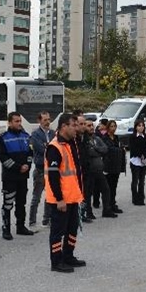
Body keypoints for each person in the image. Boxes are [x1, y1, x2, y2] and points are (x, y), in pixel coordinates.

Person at [45, 114, 86, 273]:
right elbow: (53, 176)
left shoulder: (71, 143)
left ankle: (68, 256)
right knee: (57, 232)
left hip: (73, 196)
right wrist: (59, 199)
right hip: (60, 199)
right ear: (63, 127)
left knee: (72, 229)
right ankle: (56, 261)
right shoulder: (55, 146)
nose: (77, 128)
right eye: (73, 125)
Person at [0, 112, 34, 240]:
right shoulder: (3, 137)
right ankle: (6, 229)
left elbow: (30, 153)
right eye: (16, 121)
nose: (19, 123)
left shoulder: (26, 136)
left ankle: (21, 227)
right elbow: (2, 157)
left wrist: (27, 165)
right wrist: (19, 167)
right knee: (8, 204)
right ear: (9, 122)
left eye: (20, 121)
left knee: (21, 203)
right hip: (10, 177)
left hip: (23, 177)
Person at [83, 119, 116, 218]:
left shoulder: (96, 138)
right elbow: (89, 152)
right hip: (90, 170)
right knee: (88, 193)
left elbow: (105, 149)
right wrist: (97, 151)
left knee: (106, 189)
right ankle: (88, 212)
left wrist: (96, 148)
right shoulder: (84, 140)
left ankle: (106, 210)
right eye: (89, 126)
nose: (91, 127)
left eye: (92, 125)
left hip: (99, 170)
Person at [29, 111, 55, 230]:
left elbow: (55, 149)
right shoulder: (35, 134)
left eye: (49, 119)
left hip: (51, 168)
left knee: (50, 196)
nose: (47, 122)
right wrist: (48, 147)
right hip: (40, 169)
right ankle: (32, 221)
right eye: (45, 120)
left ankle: (47, 219)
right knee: (36, 196)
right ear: (39, 121)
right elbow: (40, 149)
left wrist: (48, 146)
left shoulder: (53, 133)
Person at [102, 120, 125, 213]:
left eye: (114, 126)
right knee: (108, 187)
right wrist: (119, 149)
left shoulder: (116, 137)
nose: (113, 128)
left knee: (114, 186)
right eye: (111, 126)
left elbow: (121, 148)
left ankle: (113, 203)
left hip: (116, 165)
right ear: (108, 128)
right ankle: (107, 206)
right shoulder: (105, 138)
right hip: (108, 165)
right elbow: (108, 149)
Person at [129, 119, 146, 205]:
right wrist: (140, 155)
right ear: (135, 127)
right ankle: (135, 198)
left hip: (143, 161)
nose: (141, 127)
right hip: (135, 160)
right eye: (139, 126)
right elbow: (133, 148)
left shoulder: (145, 137)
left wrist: (144, 155)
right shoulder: (132, 137)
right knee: (135, 180)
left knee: (142, 181)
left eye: (142, 126)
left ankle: (141, 198)